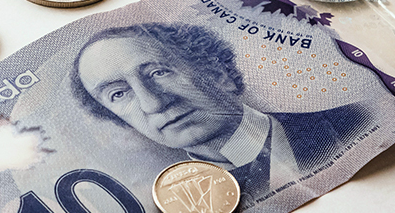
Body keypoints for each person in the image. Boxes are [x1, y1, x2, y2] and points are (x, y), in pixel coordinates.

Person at [71, 22, 370, 194]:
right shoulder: (188, 204)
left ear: (217, 73)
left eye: (159, 73)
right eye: (119, 94)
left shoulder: (360, 120)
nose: (153, 103)